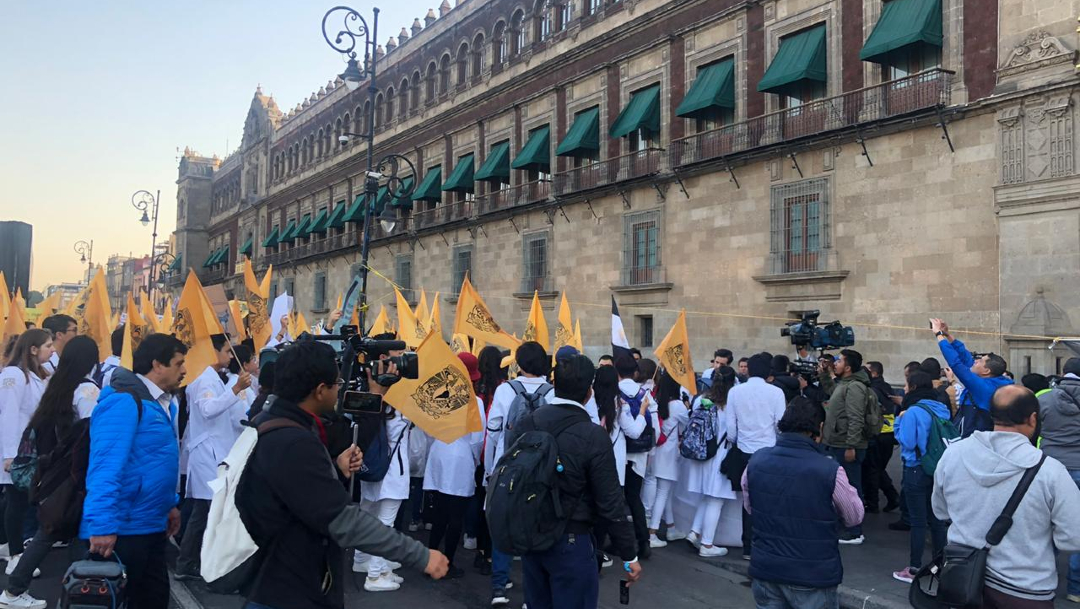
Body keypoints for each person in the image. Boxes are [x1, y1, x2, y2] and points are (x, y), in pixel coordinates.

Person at [237, 340, 448, 609]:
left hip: (280, 581)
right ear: (320, 390)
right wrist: (420, 555)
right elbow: (343, 519)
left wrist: (335, 467)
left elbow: (301, 493)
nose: (340, 390)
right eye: (337, 383)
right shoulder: (292, 441)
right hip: (288, 590)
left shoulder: (275, 421)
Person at [934, 385, 1080, 607]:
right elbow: (1072, 537)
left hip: (963, 580)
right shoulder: (1050, 471)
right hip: (1025, 590)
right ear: (1033, 419)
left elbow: (940, 510)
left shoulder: (953, 454)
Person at [517, 354, 642, 609]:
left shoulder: (527, 422)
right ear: (589, 392)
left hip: (531, 537)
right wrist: (629, 555)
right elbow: (611, 502)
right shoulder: (593, 435)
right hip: (571, 540)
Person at [82, 334, 188, 609]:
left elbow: (152, 463)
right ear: (158, 365)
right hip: (124, 527)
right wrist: (103, 525)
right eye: (179, 363)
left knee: (152, 599)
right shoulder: (125, 402)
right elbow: (105, 467)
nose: (184, 370)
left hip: (151, 523)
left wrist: (170, 506)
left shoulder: (162, 402)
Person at [0, 336, 100, 608]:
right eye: (46, 345)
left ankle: (75, 591)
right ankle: (16, 591)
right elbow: (93, 432)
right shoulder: (87, 390)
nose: (52, 350)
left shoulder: (54, 385)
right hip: (77, 471)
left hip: (57, 469)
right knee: (55, 530)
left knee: (62, 528)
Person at [742, 397, 864, 609]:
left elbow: (750, 506)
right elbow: (854, 516)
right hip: (811, 574)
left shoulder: (756, 460)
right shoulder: (829, 470)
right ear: (819, 428)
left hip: (766, 568)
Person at [175, 335, 251, 581]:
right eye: (227, 351)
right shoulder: (202, 379)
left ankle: (188, 562)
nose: (231, 356)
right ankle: (201, 564)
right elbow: (209, 410)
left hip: (217, 454)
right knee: (211, 512)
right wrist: (236, 389)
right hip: (208, 455)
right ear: (212, 351)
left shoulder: (214, 378)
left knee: (204, 513)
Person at [485, 341, 553, 605]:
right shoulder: (554, 392)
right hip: (539, 470)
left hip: (507, 466)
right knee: (533, 529)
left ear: (519, 363)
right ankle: (531, 597)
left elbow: (493, 431)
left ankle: (499, 589)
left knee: (503, 524)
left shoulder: (505, 390)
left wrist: (490, 468)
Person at [423, 352, 485, 580]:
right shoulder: (474, 401)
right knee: (455, 516)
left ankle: (429, 561)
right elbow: (477, 438)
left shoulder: (439, 394)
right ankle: (446, 564)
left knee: (439, 513)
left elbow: (429, 430)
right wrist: (475, 460)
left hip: (439, 453)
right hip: (460, 458)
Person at [354, 364, 414, 592]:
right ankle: (374, 576)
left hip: (372, 468)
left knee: (367, 515)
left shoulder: (373, 405)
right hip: (392, 472)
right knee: (385, 523)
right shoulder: (401, 409)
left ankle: (362, 561)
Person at [0, 330, 53, 578]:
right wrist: (9, 455)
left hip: (27, 448)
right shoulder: (13, 374)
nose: (52, 350)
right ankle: (14, 555)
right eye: (48, 345)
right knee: (16, 502)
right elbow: (8, 415)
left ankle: (7, 544)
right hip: (14, 450)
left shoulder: (35, 375)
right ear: (33, 349)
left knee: (17, 500)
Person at [889, 371, 950, 584]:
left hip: (916, 468)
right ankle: (940, 565)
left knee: (917, 521)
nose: (904, 389)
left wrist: (899, 419)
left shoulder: (913, 412)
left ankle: (914, 568)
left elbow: (906, 441)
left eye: (906, 385)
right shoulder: (941, 408)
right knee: (937, 520)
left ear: (913, 386)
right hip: (938, 468)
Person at [726, 353, 786, 560]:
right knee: (769, 498)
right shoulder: (776, 393)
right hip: (769, 450)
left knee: (748, 499)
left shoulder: (735, 392)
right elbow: (781, 425)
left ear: (748, 369)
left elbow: (731, 428)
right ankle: (768, 542)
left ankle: (748, 546)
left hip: (744, 450)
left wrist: (737, 441)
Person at [1037, 357, 1080, 601]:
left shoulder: (1045, 398)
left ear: (1064, 372)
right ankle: (1076, 588)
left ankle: (1045, 582)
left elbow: (1034, 429)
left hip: (1052, 466)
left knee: (1046, 525)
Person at [819, 349, 871, 545]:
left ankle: (854, 530)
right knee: (841, 487)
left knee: (850, 487)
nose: (836, 363)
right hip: (837, 443)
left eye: (839, 361)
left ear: (848, 367)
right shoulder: (845, 384)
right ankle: (846, 526)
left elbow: (856, 418)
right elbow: (832, 392)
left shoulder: (855, 387)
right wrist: (824, 373)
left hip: (845, 445)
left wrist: (851, 446)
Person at [684, 366, 737, 558]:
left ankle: (694, 532)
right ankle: (706, 544)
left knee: (707, 497)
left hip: (701, 453)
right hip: (720, 453)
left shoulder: (702, 399)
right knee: (716, 499)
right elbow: (732, 433)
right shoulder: (730, 403)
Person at [931, 318, 1013, 437]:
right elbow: (966, 358)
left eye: (980, 361)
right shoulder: (993, 380)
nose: (976, 361)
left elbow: (956, 364)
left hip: (973, 433)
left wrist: (938, 335)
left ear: (986, 371)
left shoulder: (983, 387)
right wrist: (947, 335)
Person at [468, 346, 505, 575]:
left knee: (476, 497)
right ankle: (489, 550)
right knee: (491, 503)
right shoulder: (503, 388)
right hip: (490, 450)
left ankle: (474, 540)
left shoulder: (475, 387)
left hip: (475, 450)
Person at [614, 354, 656, 559]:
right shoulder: (646, 394)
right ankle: (643, 541)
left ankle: (620, 544)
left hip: (619, 452)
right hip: (640, 453)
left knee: (616, 500)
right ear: (636, 372)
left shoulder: (615, 393)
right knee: (634, 499)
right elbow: (654, 426)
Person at [646, 370, 689, 549]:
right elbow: (687, 424)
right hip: (669, 453)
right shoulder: (678, 405)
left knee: (665, 491)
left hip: (656, 449)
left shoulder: (656, 401)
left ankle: (670, 528)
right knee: (663, 492)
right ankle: (652, 533)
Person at [591, 364, 624, 570]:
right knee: (608, 509)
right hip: (612, 462)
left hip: (592, 459)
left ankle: (591, 549)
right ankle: (598, 550)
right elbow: (633, 430)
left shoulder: (589, 400)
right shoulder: (619, 404)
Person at [863, 361, 900, 514]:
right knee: (878, 468)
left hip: (878, 433)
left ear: (874, 373)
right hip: (888, 434)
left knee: (872, 469)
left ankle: (874, 503)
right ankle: (892, 497)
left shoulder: (872, 390)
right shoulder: (886, 387)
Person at [226, 344, 259, 412]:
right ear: (245, 365)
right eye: (253, 358)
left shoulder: (249, 378)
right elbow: (243, 414)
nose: (256, 361)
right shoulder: (238, 385)